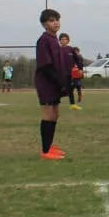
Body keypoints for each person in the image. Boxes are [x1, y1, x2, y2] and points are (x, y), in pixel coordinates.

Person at [35, 9, 69, 160]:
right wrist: (58, 81)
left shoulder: (55, 39)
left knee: (55, 114)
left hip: (56, 82)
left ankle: (50, 146)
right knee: (48, 114)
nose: (55, 23)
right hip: (47, 82)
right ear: (44, 24)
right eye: (51, 20)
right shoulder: (43, 40)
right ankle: (45, 150)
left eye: (57, 20)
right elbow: (46, 66)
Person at [59, 34, 82, 112]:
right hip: (60, 73)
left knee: (70, 90)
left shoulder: (71, 49)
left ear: (68, 40)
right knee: (58, 89)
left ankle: (73, 105)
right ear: (59, 41)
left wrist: (80, 69)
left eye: (65, 39)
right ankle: (53, 104)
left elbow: (77, 59)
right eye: (62, 39)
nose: (63, 40)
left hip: (69, 74)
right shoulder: (57, 49)